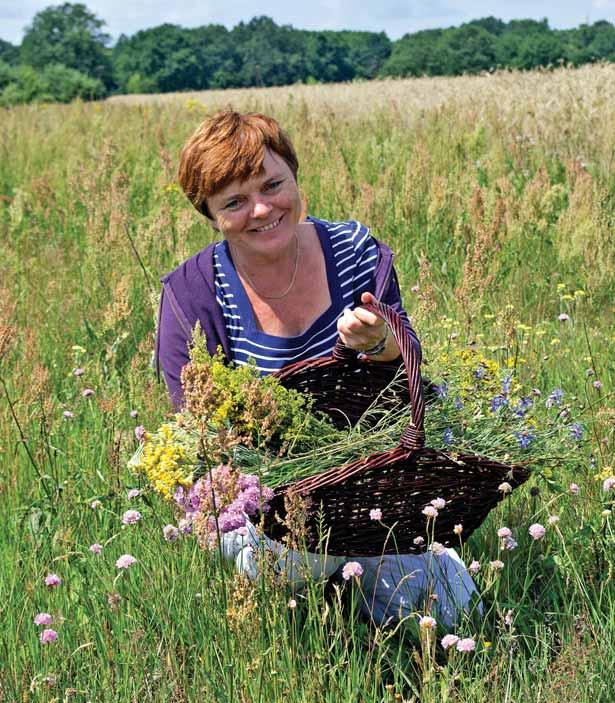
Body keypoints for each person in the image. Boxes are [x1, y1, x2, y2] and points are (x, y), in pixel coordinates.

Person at [156, 110, 480, 628]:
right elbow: (198, 437)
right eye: (234, 202)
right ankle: (313, 603)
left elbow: (410, 390)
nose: (262, 209)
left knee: (458, 615)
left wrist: (382, 346)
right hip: (262, 506)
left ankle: (356, 580)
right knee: (294, 559)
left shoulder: (353, 252)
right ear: (211, 214)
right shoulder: (192, 295)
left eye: (272, 184)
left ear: (295, 175)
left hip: (369, 487)